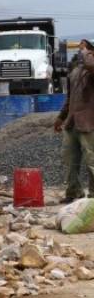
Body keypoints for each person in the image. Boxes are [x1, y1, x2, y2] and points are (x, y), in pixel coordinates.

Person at [54, 39, 94, 203]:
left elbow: (91, 65)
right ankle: (74, 193)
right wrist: (61, 117)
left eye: (85, 49)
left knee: (91, 160)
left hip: (89, 123)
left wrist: (87, 52)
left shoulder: (91, 70)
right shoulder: (75, 71)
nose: (81, 50)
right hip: (72, 123)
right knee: (70, 159)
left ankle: (93, 197)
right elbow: (70, 99)